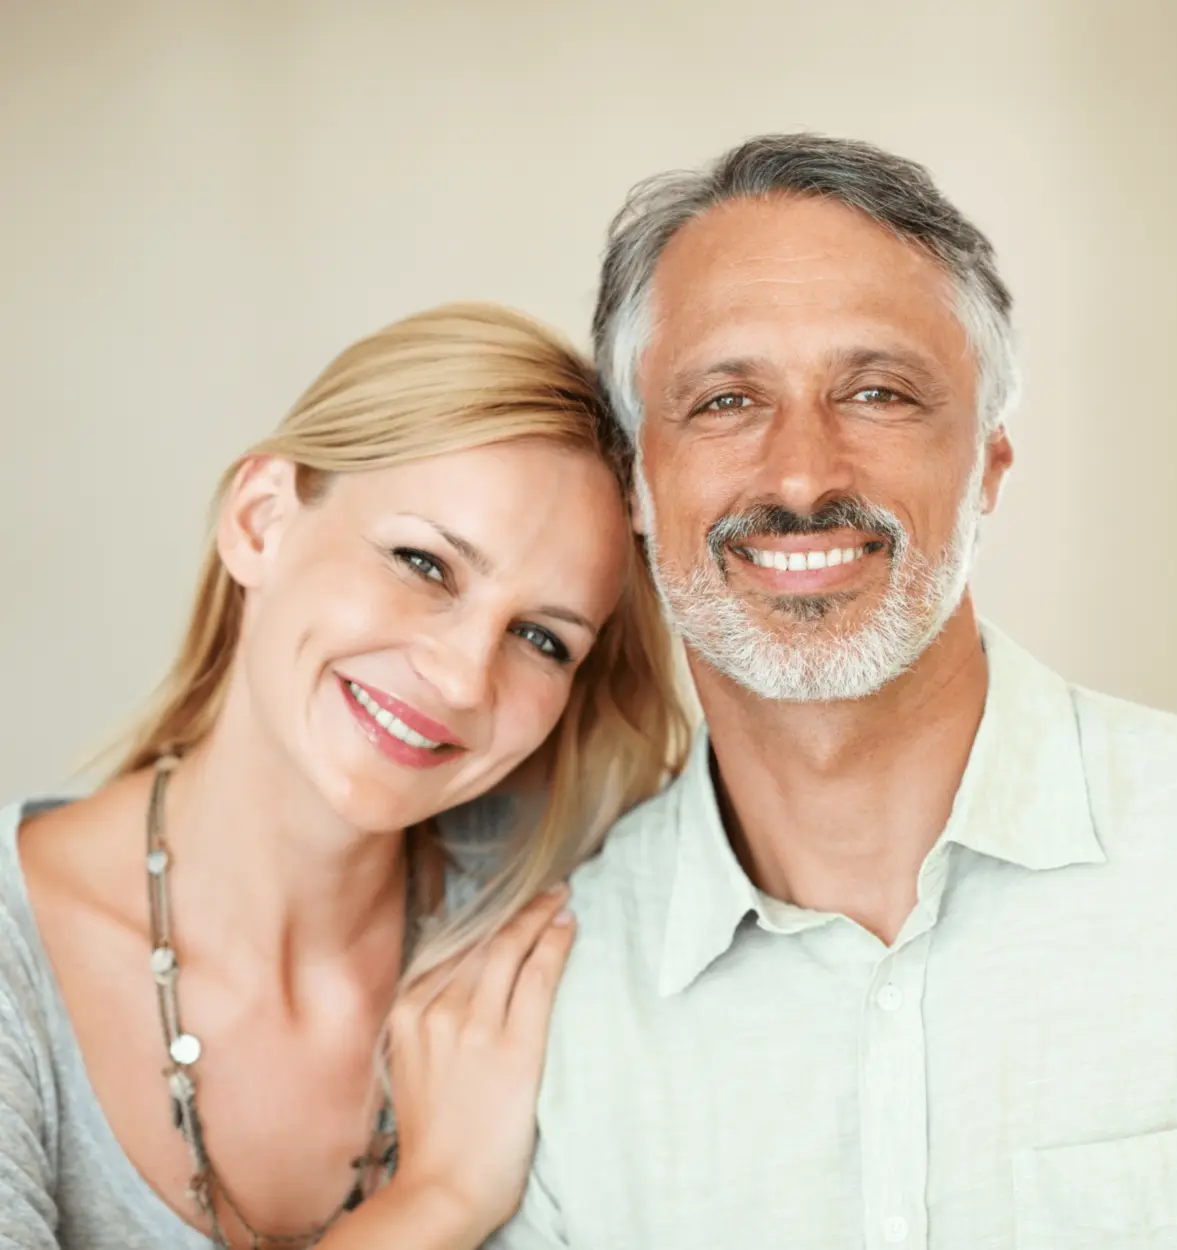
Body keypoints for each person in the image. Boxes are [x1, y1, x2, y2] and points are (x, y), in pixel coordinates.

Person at [490, 135, 1177, 1249]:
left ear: (987, 463)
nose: (801, 474)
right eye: (724, 400)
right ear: (636, 480)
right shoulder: (550, 1001)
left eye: (878, 392)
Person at [0, 303, 689, 1249]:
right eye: (425, 563)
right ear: (260, 522)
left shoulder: (551, 945)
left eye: (541, 638)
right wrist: (438, 1199)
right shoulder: (18, 964)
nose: (461, 676)